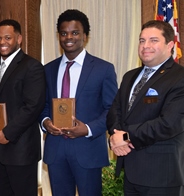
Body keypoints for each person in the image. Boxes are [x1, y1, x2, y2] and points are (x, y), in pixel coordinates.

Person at [39, 9, 118, 195]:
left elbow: (112, 109)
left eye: (75, 33)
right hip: (56, 150)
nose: (69, 37)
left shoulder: (103, 69)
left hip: (88, 150)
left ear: (85, 36)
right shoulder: (48, 69)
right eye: (64, 33)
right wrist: (45, 123)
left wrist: (88, 129)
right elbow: (42, 106)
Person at [107, 20, 184, 195]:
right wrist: (115, 136)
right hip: (131, 172)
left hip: (161, 175)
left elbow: (169, 123)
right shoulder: (130, 76)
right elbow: (115, 111)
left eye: (153, 40)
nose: (145, 46)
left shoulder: (179, 77)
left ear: (170, 45)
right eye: (142, 41)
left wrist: (126, 137)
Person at [0, 19, 46, 196]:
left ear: (19, 39)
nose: (2, 42)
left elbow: (32, 107)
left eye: (8, 38)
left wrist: (7, 133)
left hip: (21, 150)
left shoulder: (32, 66)